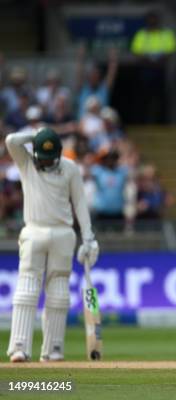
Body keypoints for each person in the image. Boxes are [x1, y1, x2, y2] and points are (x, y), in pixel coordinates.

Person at [4, 127, 99, 362]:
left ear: (59, 154)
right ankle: (19, 347)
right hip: (34, 230)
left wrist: (88, 238)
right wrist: (35, 133)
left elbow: (80, 203)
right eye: (42, 157)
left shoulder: (70, 168)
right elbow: (11, 140)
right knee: (27, 289)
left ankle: (53, 349)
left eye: (50, 158)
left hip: (63, 233)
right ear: (35, 152)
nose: (46, 163)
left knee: (58, 293)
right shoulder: (26, 163)